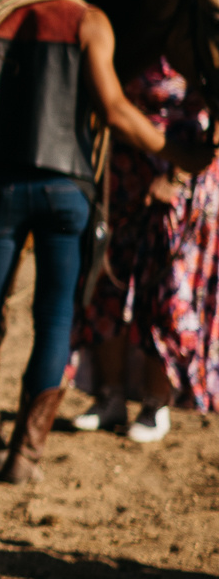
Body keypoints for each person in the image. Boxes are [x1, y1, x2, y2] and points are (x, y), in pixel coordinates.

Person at [0, 0, 213, 485]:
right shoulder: (90, 21)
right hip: (67, 192)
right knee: (53, 320)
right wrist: (178, 154)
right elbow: (116, 111)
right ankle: (24, 458)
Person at [70, 45, 219, 442]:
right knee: (107, 282)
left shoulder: (204, 40)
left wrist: (178, 176)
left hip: (184, 180)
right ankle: (110, 395)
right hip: (122, 172)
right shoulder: (129, 34)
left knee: (167, 287)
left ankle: (156, 402)